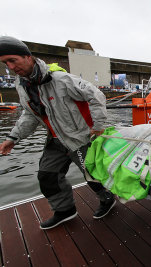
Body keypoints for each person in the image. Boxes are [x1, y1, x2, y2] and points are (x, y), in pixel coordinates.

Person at [0, 36, 116, 230]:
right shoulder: (22, 85)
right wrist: (13, 138)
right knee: (47, 176)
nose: (11, 67)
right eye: (5, 63)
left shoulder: (62, 80)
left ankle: (107, 199)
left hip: (80, 138)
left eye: (13, 60)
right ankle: (65, 211)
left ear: (28, 57)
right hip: (55, 140)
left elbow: (97, 96)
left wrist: (98, 127)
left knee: (92, 176)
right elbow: (30, 116)